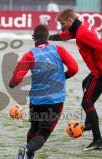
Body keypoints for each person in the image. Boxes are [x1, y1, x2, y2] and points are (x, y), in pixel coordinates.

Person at [49, 8, 102, 151]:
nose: (62, 26)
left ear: (70, 20)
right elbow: (65, 35)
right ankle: (89, 123)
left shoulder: (82, 33)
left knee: (87, 103)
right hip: (101, 69)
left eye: (63, 23)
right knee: (84, 83)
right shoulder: (81, 26)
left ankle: (98, 141)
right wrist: (47, 38)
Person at [9, 24, 78, 159]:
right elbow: (74, 68)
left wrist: (12, 84)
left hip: (36, 101)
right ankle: (27, 149)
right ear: (48, 37)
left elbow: (16, 79)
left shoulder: (29, 55)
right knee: (44, 132)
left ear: (33, 37)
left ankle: (29, 155)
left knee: (34, 129)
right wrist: (63, 76)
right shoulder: (59, 49)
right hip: (55, 101)